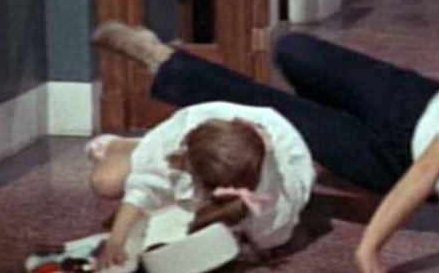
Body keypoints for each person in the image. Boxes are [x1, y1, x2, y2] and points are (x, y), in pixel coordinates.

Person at [90, 21, 439, 273]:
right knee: (297, 52)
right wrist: (370, 253)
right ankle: (276, 50)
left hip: (391, 162)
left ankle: (161, 60)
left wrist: (368, 254)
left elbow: (416, 179)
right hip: (414, 103)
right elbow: (430, 169)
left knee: (282, 114)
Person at [86, 85, 315, 267]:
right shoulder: (180, 141)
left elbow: (273, 232)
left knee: (255, 235)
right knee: (105, 183)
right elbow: (144, 187)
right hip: (191, 145)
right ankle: (126, 147)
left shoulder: (279, 182)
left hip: (265, 158)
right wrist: (116, 240)